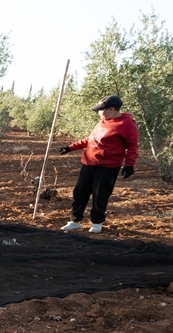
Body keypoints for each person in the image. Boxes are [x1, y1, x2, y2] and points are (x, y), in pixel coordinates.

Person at [57, 95, 138, 234]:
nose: (99, 112)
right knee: (80, 192)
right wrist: (71, 147)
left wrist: (129, 164)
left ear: (111, 109)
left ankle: (97, 222)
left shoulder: (127, 124)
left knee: (100, 194)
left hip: (108, 166)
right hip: (88, 163)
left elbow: (132, 145)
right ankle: (75, 221)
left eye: (101, 110)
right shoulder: (102, 121)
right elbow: (91, 139)